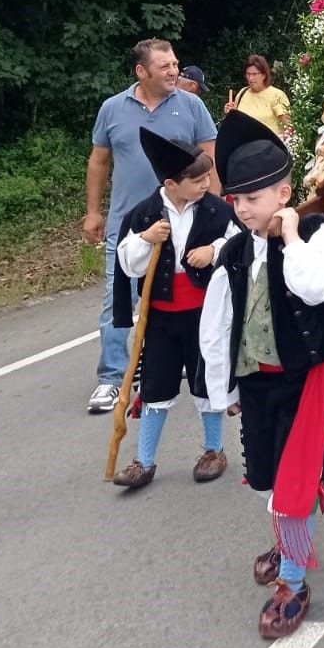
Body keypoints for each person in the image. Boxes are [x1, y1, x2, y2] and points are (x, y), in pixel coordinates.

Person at [199, 111, 324, 639]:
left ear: (284, 193)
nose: (244, 208)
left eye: (256, 197)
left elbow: (316, 289)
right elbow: (220, 320)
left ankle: (293, 582)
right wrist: (222, 386)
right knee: (267, 472)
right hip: (257, 380)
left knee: (295, 480)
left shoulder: (315, 235)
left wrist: (290, 236)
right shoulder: (236, 250)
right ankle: (286, 534)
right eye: (237, 200)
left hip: (303, 378)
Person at [84, 39, 217, 414]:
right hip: (128, 223)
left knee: (190, 293)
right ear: (142, 72)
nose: (174, 70)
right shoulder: (113, 109)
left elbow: (210, 158)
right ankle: (111, 379)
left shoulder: (192, 105)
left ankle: (203, 365)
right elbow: (99, 162)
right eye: (165, 66)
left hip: (184, 220)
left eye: (175, 63)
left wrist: (218, 208)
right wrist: (93, 212)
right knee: (118, 300)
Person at [111, 132, 237, 489]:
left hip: (203, 314)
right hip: (162, 316)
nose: (206, 185)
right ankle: (144, 460)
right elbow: (128, 264)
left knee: (205, 380)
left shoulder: (216, 209)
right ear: (171, 183)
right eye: (197, 181)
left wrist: (215, 250)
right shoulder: (145, 214)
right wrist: (144, 239)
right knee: (155, 386)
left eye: (206, 178)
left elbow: (239, 239)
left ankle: (214, 450)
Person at [224, 54, 292, 136]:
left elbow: (289, 127)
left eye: (254, 74)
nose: (250, 78)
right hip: (244, 145)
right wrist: (230, 113)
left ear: (264, 75)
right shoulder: (243, 92)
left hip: (268, 146)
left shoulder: (276, 95)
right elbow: (236, 123)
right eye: (248, 74)